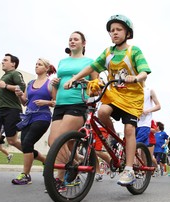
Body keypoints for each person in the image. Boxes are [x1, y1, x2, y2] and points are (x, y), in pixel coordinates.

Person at [65, 14, 151, 186]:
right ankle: (113, 138)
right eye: (112, 30)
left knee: (129, 129)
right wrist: (75, 78)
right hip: (115, 94)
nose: (115, 33)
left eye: (119, 29)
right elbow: (92, 66)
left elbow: (144, 71)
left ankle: (128, 169)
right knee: (102, 111)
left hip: (133, 98)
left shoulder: (134, 51)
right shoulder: (108, 52)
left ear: (127, 33)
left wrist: (135, 78)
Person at [47, 31, 97, 191]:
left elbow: (96, 85)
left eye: (76, 39)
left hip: (77, 103)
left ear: (84, 43)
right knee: (53, 141)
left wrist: (84, 81)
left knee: (59, 140)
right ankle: (75, 163)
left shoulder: (90, 62)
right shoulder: (62, 62)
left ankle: (59, 179)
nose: (72, 41)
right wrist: (55, 83)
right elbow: (57, 86)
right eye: (70, 39)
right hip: (60, 104)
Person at [11, 58, 57, 185]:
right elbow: (25, 102)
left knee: (27, 142)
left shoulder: (50, 83)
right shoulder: (30, 83)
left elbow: (55, 101)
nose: (36, 66)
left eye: (40, 64)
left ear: (46, 68)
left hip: (42, 117)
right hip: (28, 117)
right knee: (26, 145)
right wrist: (19, 95)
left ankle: (25, 175)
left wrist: (45, 102)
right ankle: (46, 162)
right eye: (36, 64)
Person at [136, 86, 161, 164]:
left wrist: (147, 111)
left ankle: (132, 168)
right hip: (134, 122)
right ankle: (145, 169)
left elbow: (158, 106)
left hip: (144, 124)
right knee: (143, 150)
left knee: (134, 147)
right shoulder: (133, 89)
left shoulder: (149, 90)